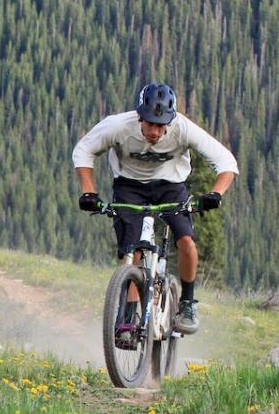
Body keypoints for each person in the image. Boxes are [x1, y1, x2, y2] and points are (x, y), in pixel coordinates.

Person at [71, 82, 238, 335]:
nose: (155, 131)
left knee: (186, 241)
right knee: (131, 253)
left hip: (170, 186)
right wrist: (88, 191)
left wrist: (216, 193)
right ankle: (127, 318)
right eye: (150, 123)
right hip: (129, 186)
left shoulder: (182, 128)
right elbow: (84, 150)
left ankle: (188, 304)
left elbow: (225, 160)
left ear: (170, 122)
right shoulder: (118, 126)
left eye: (161, 125)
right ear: (140, 116)